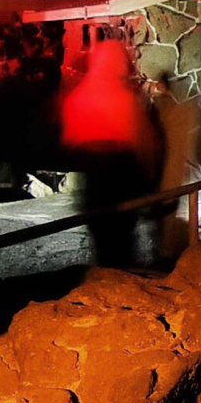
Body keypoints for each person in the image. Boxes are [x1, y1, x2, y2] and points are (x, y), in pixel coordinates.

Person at [60, 39, 163, 267]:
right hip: (121, 179)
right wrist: (150, 180)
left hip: (94, 181)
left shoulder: (80, 96)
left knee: (103, 242)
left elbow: (69, 137)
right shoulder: (125, 99)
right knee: (123, 243)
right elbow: (145, 141)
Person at [150, 74, 198, 267]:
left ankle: (165, 251)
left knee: (164, 210)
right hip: (171, 168)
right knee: (167, 208)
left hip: (163, 168)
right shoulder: (178, 109)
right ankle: (166, 249)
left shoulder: (159, 109)